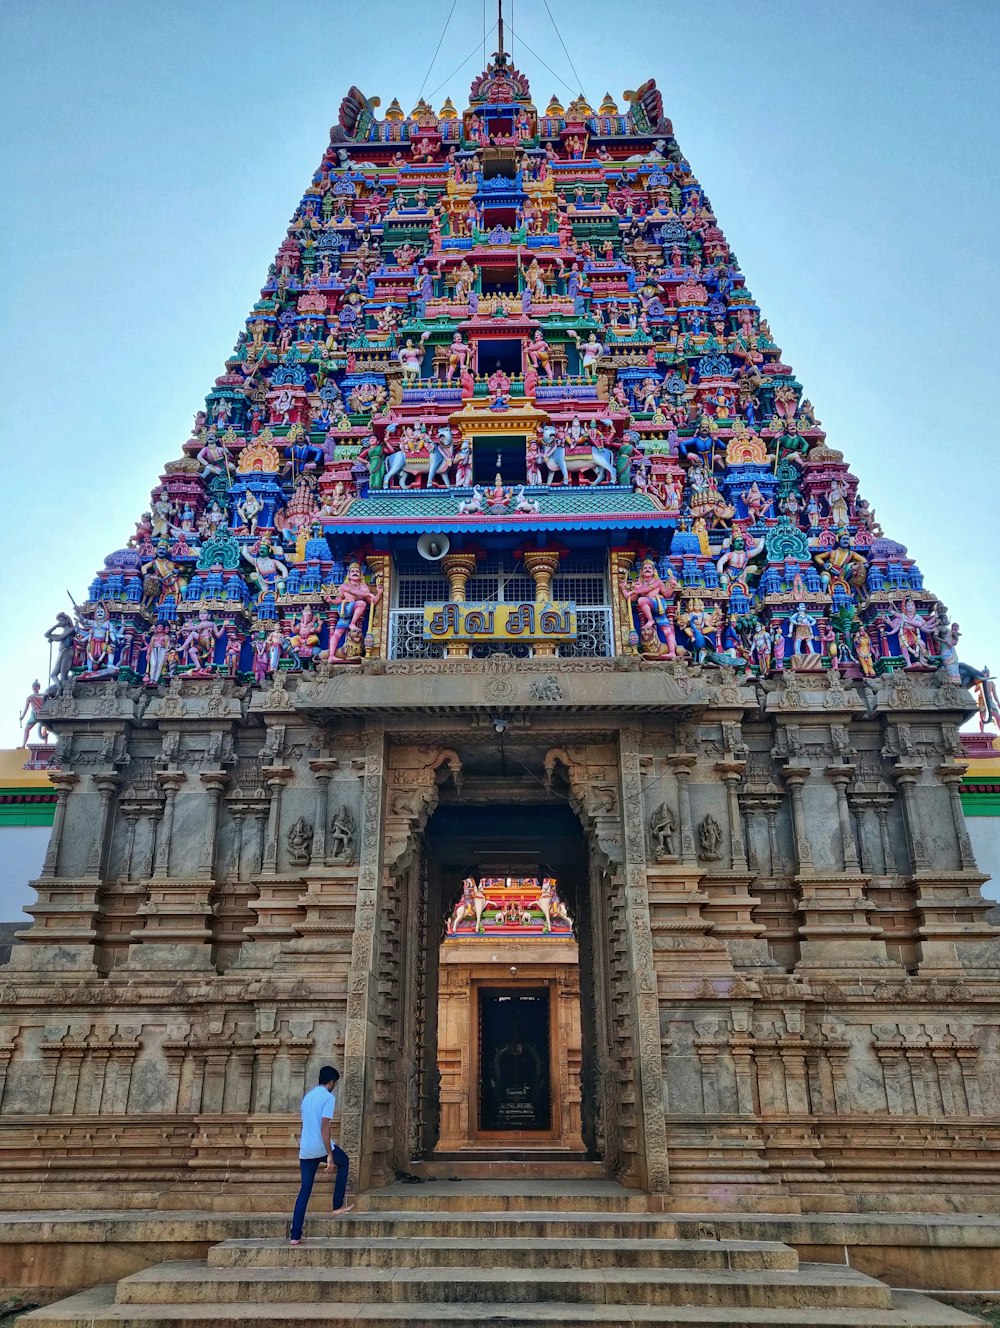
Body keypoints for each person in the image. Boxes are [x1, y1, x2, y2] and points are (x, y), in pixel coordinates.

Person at [289, 1065, 352, 1244]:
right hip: (320, 1146)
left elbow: (305, 1124)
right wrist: (329, 1155)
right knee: (344, 1161)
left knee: (305, 1190)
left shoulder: (308, 1097)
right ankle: (337, 1205)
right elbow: (325, 1127)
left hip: (306, 1148)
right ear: (331, 1082)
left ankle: (295, 1235)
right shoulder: (328, 1097)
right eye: (335, 1083)